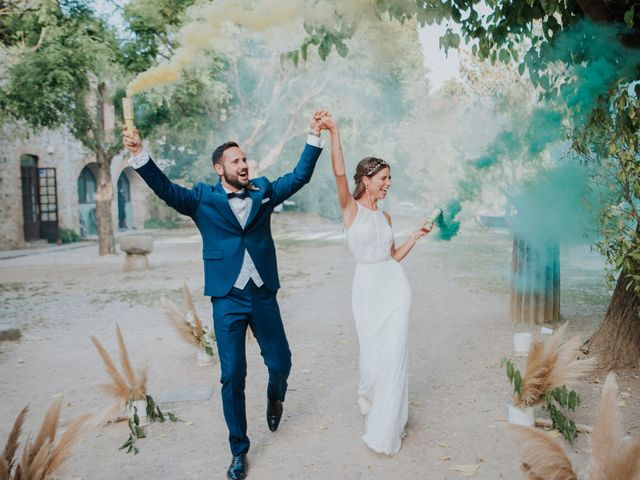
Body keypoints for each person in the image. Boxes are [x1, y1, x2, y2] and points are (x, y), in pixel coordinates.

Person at [123, 113, 325, 480]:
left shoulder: (263, 190)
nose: (244, 164)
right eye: (236, 160)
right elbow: (166, 189)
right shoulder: (202, 199)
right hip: (227, 298)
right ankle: (238, 450)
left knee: (281, 362)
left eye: (245, 159)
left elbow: (299, 177)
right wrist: (140, 154)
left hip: (263, 293)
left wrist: (313, 136)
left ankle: (275, 393)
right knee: (232, 374)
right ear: (220, 168)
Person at [318, 112, 431, 455]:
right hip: (367, 290)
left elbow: (392, 255)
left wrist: (416, 236)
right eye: (383, 178)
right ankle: (370, 398)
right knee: (371, 358)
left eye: (390, 179)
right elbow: (338, 171)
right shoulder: (350, 209)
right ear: (365, 179)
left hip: (395, 287)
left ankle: (390, 421)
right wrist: (335, 131)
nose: (388, 184)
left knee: (395, 352)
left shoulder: (386, 217)